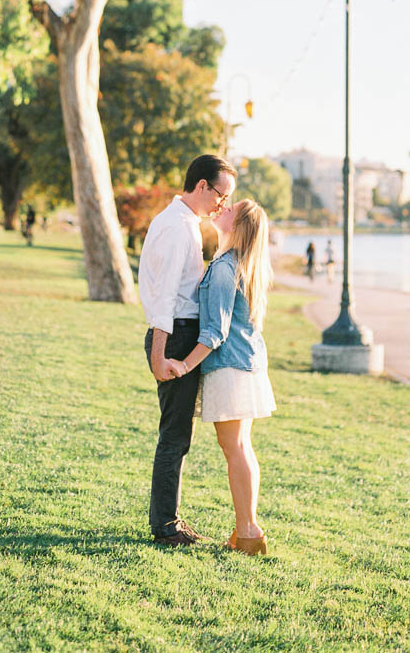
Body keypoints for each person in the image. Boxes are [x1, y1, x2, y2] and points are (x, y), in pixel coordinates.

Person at [168, 199, 275, 556]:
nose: (221, 208)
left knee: (236, 449)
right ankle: (247, 529)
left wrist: (184, 365)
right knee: (242, 448)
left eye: (231, 208)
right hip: (246, 366)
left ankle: (248, 530)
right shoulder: (238, 265)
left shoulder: (225, 267)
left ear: (238, 224)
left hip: (230, 367)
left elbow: (215, 331)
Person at [140, 154, 237, 546]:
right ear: (201, 186)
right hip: (175, 335)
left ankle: (167, 520)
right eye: (220, 195)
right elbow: (165, 299)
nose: (223, 205)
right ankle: (166, 525)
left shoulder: (183, 224)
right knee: (175, 435)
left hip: (178, 333)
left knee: (178, 434)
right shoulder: (179, 230)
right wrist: (160, 355)